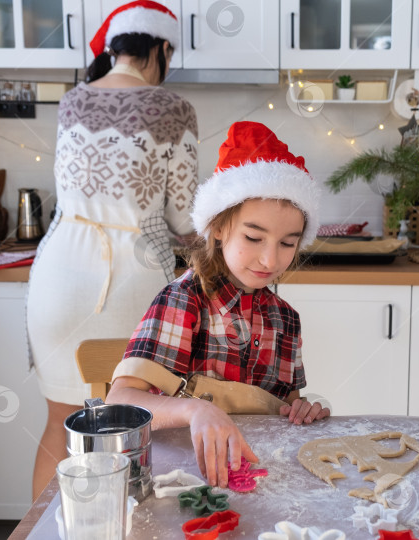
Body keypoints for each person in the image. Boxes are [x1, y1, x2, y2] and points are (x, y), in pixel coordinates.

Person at [25, 0, 197, 500]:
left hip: (58, 276)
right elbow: (184, 219)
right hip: (133, 280)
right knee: (141, 426)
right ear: (162, 48)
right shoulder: (173, 109)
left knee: (61, 423)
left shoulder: (73, 101)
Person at [106, 121, 331, 488]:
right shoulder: (185, 300)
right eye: (254, 237)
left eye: (288, 243)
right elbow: (121, 401)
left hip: (258, 478)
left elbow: (285, 412)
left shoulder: (286, 320)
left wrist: (302, 411)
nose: (270, 260)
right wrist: (196, 408)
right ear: (219, 227)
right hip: (181, 478)